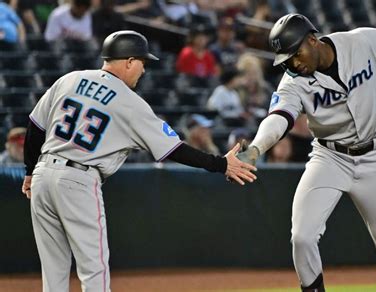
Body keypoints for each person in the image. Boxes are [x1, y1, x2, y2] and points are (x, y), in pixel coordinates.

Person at [21, 30, 257, 292]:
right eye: (142, 63)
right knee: (94, 267)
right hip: (79, 179)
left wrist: (30, 172)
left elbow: (35, 127)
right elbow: (174, 150)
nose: (143, 71)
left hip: (43, 173)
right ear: (129, 61)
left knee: (53, 269)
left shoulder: (70, 79)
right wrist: (220, 164)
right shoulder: (129, 102)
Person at [236, 14, 376, 291]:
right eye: (287, 60)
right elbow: (279, 117)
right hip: (330, 157)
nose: (294, 63)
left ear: (313, 40)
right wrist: (257, 147)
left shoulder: (361, 41)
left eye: (297, 54)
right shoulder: (293, 81)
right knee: (302, 236)